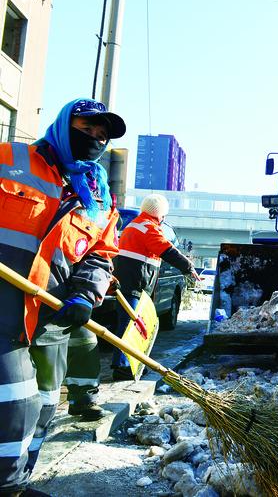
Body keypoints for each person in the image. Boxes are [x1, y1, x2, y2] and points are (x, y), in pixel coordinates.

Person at [0, 98, 124, 496]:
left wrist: (87, 294)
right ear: (63, 123)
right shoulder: (10, 158)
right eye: (86, 128)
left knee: (44, 407)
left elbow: (101, 254)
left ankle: (21, 480)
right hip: (4, 311)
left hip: (51, 320)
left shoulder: (100, 197)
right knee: (14, 405)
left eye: (102, 136)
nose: (94, 139)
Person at [111, 194, 195, 381]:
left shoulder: (133, 225)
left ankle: (130, 365)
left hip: (127, 281)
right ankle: (123, 366)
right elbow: (167, 250)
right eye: (163, 215)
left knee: (128, 324)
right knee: (131, 325)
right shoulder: (149, 228)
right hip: (136, 283)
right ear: (159, 215)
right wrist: (188, 267)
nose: (164, 218)